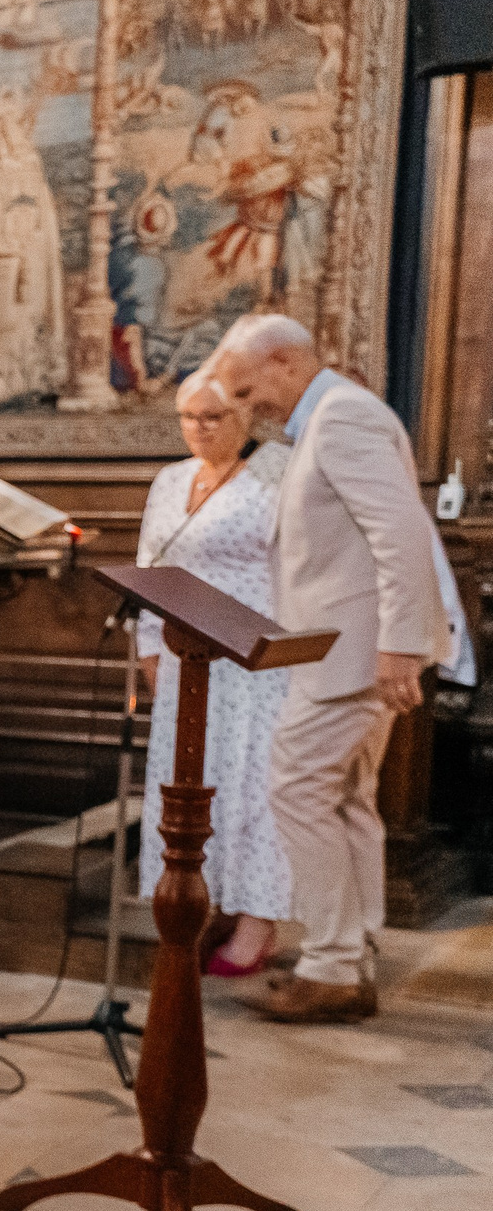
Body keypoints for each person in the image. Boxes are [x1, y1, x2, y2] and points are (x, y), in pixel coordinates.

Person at [213, 315, 444, 1024]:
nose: (250, 410)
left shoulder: (342, 418)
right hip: (339, 650)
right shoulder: (315, 426)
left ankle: (332, 963)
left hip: (354, 652)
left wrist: (400, 644)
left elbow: (400, 530)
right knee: (345, 800)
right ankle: (352, 953)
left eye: (251, 391)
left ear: (286, 362)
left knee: (296, 788)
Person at [133, 368, 295, 977]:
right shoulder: (171, 480)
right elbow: (151, 567)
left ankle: (258, 922)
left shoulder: (272, 477)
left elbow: (294, 567)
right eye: (188, 418)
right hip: (184, 663)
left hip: (254, 663)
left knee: (252, 789)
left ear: (244, 420)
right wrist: (150, 653)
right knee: (187, 790)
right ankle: (198, 908)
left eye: (213, 417)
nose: (198, 429)